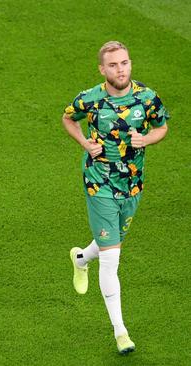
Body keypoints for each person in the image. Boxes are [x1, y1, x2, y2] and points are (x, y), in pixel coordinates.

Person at [61, 41, 168, 354]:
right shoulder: (90, 99)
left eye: (124, 63)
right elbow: (68, 118)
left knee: (113, 242)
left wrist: (146, 138)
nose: (120, 69)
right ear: (102, 69)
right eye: (113, 65)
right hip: (100, 182)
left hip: (132, 184)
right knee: (112, 259)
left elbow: (161, 127)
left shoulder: (147, 98)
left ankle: (81, 258)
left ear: (129, 64)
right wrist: (84, 142)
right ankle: (121, 332)